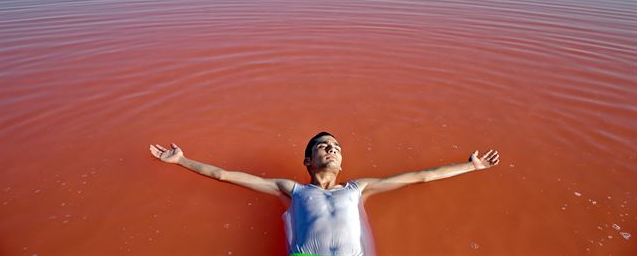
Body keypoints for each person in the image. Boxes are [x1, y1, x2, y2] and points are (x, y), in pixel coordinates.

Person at [149, 131, 500, 255]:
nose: (330, 149)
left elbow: (421, 177)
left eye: (335, 146)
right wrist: (182, 161)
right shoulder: (291, 189)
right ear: (308, 159)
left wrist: (471, 166)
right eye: (322, 146)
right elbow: (225, 175)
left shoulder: (358, 187)